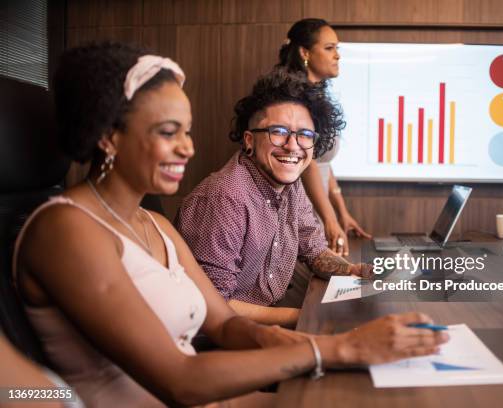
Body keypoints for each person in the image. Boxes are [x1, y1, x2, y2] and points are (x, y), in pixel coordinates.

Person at [12, 42, 447, 407]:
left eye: (188, 131)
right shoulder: (66, 229)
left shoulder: (152, 223)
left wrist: (335, 334)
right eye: (168, 131)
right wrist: (337, 346)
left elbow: (224, 323)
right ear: (108, 135)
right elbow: (179, 376)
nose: (187, 148)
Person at [176, 69, 372, 327]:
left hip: (258, 325)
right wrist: (306, 318)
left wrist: (353, 270)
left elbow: (313, 250)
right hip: (215, 338)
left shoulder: (290, 186)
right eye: (278, 132)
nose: (293, 146)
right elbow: (213, 304)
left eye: (304, 135)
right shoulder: (224, 198)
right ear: (249, 140)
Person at [276, 18, 372, 257]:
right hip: (301, 208)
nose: (337, 55)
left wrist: (342, 212)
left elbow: (322, 161)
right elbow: (305, 161)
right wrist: (330, 219)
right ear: (305, 52)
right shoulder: (294, 99)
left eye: (337, 48)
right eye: (329, 48)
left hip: (319, 206)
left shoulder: (317, 96)